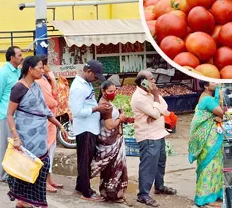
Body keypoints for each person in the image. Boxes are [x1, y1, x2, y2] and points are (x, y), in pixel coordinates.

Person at [6, 56, 65, 208]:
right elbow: (9, 114)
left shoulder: (36, 86)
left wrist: (59, 125)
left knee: (41, 166)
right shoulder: (19, 88)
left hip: (40, 136)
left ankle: (30, 201)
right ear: (30, 69)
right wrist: (16, 137)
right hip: (25, 136)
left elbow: (44, 110)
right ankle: (23, 200)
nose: (42, 70)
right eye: (39, 67)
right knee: (26, 168)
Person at [131, 70, 177, 207]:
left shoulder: (151, 93)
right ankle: (143, 194)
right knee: (148, 165)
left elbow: (165, 107)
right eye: (151, 79)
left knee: (160, 162)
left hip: (159, 133)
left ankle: (159, 186)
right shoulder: (138, 97)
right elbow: (157, 112)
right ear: (143, 82)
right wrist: (156, 101)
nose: (154, 82)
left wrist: (156, 109)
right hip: (148, 136)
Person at [69, 60, 110, 202]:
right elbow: (77, 111)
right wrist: (96, 109)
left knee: (85, 160)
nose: (97, 79)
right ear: (89, 72)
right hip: (84, 129)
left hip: (90, 127)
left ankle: (80, 186)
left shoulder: (86, 84)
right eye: (96, 76)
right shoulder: (78, 88)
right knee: (85, 161)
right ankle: (86, 192)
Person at [88, 80, 129, 201]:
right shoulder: (105, 106)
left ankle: (107, 193)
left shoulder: (105, 102)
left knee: (111, 168)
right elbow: (109, 125)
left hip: (111, 139)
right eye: (110, 91)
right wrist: (120, 119)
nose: (113, 93)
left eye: (115, 90)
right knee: (114, 167)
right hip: (109, 141)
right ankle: (112, 194)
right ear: (103, 91)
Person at [0, 46, 23, 182]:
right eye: (19, 55)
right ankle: (5, 175)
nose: (22, 57)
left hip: (17, 114)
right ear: (12, 58)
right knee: (6, 146)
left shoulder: (17, 72)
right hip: (5, 114)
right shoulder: (3, 73)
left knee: (16, 145)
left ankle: (14, 173)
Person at [188, 80, 223, 207]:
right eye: (213, 82)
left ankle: (214, 193)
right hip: (209, 139)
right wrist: (221, 115)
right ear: (206, 86)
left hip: (212, 136)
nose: (216, 83)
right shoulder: (208, 100)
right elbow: (222, 112)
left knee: (215, 165)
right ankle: (205, 197)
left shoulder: (207, 97)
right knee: (209, 165)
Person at [34, 56, 63, 193]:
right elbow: (52, 101)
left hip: (50, 119)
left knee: (51, 149)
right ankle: (44, 181)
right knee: (46, 151)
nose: (48, 67)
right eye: (45, 65)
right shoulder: (41, 81)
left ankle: (49, 179)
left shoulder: (44, 79)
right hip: (46, 119)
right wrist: (54, 82)